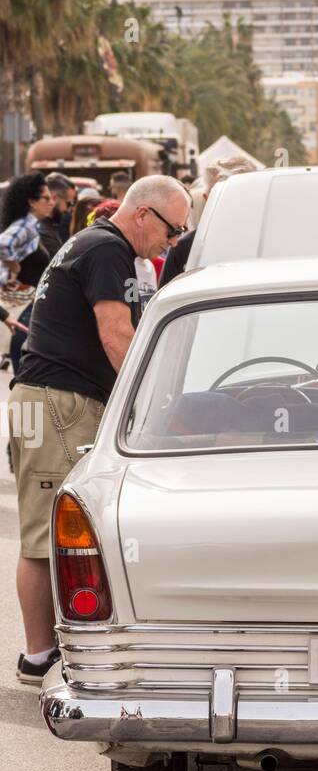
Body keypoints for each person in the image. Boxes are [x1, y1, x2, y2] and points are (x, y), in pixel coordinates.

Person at [8, 174, 190, 684]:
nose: (170, 243)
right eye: (171, 231)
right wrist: (150, 401)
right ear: (142, 214)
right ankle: (41, 654)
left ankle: (44, 649)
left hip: (49, 400)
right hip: (55, 402)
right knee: (51, 534)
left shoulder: (94, 245)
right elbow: (116, 337)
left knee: (52, 530)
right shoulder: (107, 250)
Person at [159, 154, 259, 285]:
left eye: (240, 197)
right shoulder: (184, 249)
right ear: (206, 198)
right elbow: (166, 302)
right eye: (221, 197)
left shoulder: (272, 244)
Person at [0, 173, 53, 288]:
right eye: (46, 198)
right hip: (19, 301)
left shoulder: (31, 225)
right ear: (32, 202)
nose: (51, 203)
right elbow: (3, 244)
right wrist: (15, 267)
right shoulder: (25, 224)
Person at [39, 174, 76, 258]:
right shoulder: (41, 229)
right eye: (68, 203)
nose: (69, 210)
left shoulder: (49, 225)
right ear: (54, 198)